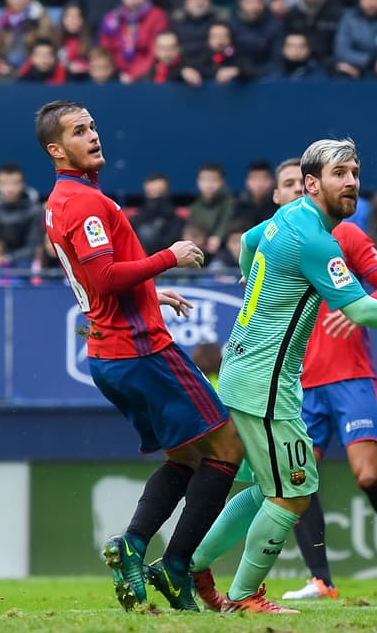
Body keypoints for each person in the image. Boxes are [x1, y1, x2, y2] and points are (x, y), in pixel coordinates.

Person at [185, 140, 377, 613]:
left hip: (249, 370)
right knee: (294, 492)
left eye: (354, 172)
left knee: (263, 487)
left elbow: (249, 243)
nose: (351, 181)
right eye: (339, 174)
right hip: (267, 382)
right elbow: (363, 309)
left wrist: (253, 285)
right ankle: (242, 594)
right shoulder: (316, 239)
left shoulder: (288, 219)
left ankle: (192, 566)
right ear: (312, 184)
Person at [34, 100, 244, 612]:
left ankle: (132, 544)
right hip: (141, 350)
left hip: (110, 352)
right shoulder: (83, 204)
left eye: (93, 126)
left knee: (186, 457)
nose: (93, 135)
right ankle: (175, 568)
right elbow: (104, 276)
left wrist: (151, 292)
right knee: (227, 451)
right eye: (79, 131)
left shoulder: (67, 199)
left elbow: (95, 280)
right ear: (56, 149)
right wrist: (167, 258)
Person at [0, 163, 43, 267]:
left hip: (26, 262)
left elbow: (34, 246)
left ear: (23, 184)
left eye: (15, 183)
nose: (10, 189)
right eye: (4, 184)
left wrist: (9, 258)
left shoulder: (35, 210)